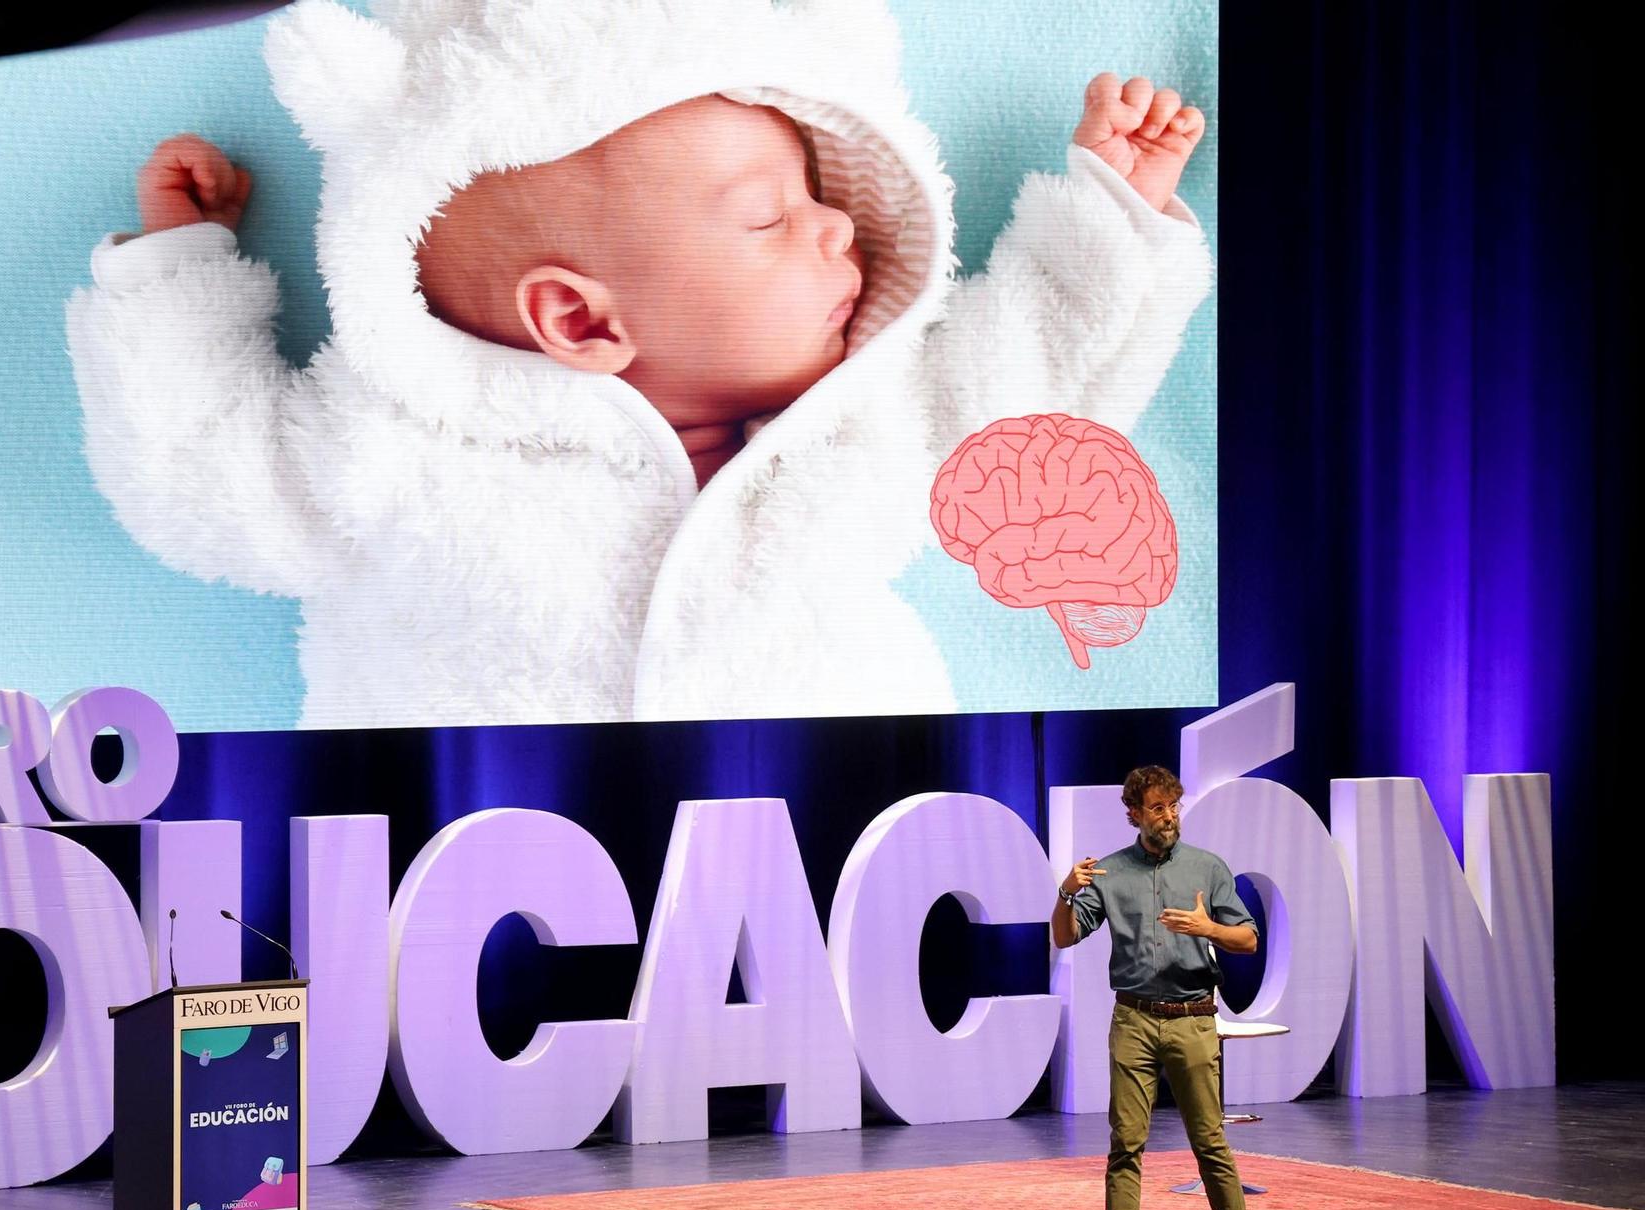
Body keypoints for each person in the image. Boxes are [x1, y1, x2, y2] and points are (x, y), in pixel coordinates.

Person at [66, 0, 1212, 727]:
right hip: (475, 877)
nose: (837, 232)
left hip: (834, 868)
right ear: (577, 318)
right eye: (768, 220)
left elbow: (1024, 392)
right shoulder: (396, 454)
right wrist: (179, 275)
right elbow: (200, 472)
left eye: (818, 198)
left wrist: (1110, 211)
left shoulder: (865, 426)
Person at [1052, 763, 1259, 1210]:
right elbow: (1065, 937)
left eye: (1173, 807)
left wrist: (1206, 927)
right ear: (1134, 814)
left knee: (1209, 1141)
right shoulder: (1111, 873)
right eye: (1157, 809)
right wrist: (1064, 893)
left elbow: (1248, 940)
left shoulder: (1208, 868)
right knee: (1126, 1143)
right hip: (1135, 1020)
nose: (1168, 818)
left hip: (1192, 1019)